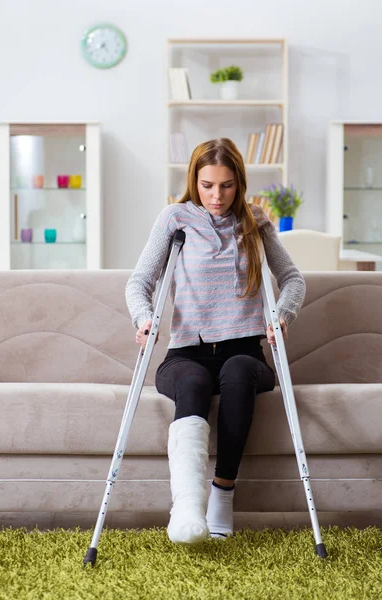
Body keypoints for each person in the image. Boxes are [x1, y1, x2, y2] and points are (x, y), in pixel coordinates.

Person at [125, 138, 306, 545]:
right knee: (192, 382)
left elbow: (293, 279)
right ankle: (187, 507)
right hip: (186, 352)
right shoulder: (175, 219)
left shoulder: (255, 222)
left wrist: (282, 315)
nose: (216, 196)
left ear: (239, 183)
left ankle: (221, 495)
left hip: (244, 351)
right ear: (194, 181)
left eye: (225, 186)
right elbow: (140, 282)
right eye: (207, 185)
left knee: (239, 372)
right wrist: (144, 318)